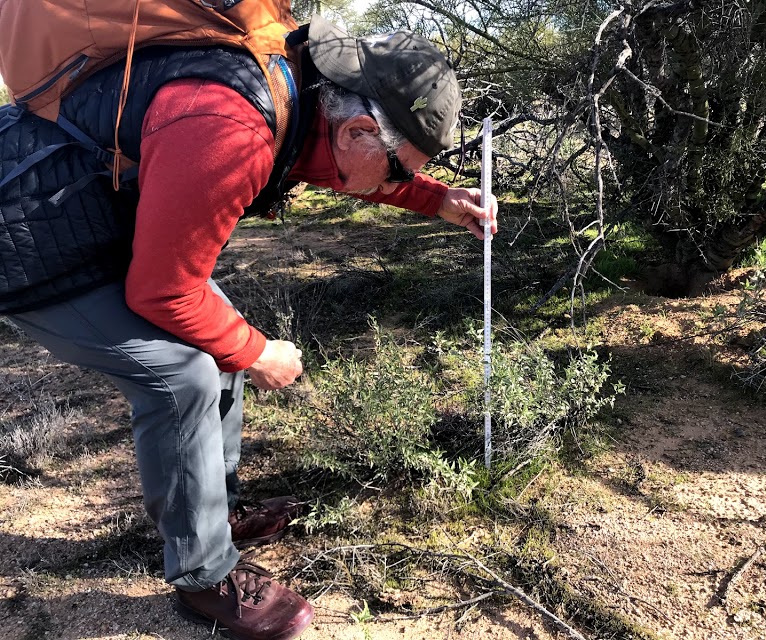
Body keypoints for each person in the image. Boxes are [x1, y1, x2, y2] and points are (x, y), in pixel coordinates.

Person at [0, 12, 497, 640]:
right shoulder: (229, 126)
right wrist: (258, 352)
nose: (400, 177)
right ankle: (206, 578)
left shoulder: (300, 96)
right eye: (402, 167)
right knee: (182, 376)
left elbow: (331, 162)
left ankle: (215, 514)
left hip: (100, 224)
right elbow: (164, 292)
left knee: (220, 344)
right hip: (33, 244)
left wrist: (433, 197)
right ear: (361, 129)